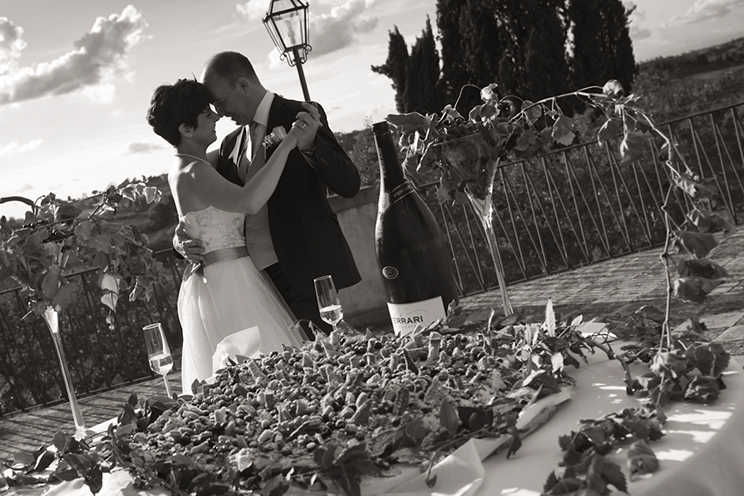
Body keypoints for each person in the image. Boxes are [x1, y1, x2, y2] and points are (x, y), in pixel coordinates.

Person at [174, 51, 361, 338]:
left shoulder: (300, 114)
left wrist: (311, 145)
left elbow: (349, 185)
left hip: (307, 273)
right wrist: (181, 240)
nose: (220, 113)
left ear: (243, 85)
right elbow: (207, 204)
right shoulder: (230, 144)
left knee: (326, 361)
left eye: (221, 102)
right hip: (258, 284)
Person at [147, 78, 308, 392]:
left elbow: (194, 219)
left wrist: (180, 239)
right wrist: (288, 144)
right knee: (260, 374)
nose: (216, 116)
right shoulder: (196, 171)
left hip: (220, 278)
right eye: (206, 113)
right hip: (231, 284)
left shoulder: (185, 166)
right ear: (186, 129)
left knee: (252, 375)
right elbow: (248, 200)